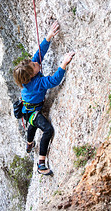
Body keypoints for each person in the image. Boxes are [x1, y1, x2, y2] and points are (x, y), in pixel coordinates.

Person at [13, 21, 75, 175]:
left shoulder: (30, 75)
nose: (36, 63)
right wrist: (63, 64)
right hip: (33, 112)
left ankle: (29, 143)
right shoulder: (37, 83)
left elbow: (39, 54)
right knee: (47, 130)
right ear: (32, 75)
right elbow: (54, 81)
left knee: (31, 126)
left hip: (28, 110)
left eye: (33, 63)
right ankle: (41, 163)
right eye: (34, 66)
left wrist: (48, 37)